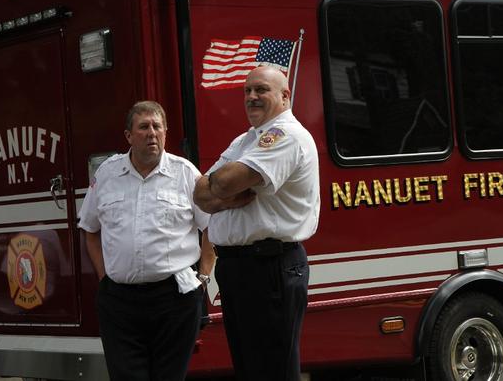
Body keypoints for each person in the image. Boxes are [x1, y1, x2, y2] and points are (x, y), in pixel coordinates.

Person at [194, 66, 320, 381]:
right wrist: (222, 195)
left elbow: (221, 184)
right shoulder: (246, 140)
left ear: (285, 95)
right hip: (240, 268)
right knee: (249, 369)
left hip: (270, 267)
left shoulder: (286, 135)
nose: (251, 97)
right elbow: (200, 194)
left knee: (272, 370)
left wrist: (219, 191)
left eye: (261, 90)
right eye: (247, 91)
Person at [77, 101, 215, 381]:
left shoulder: (186, 173)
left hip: (175, 300)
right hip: (120, 302)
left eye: (157, 126)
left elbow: (212, 227)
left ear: (165, 132)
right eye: (143, 127)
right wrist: (105, 277)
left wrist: (203, 276)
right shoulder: (106, 174)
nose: (152, 133)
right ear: (128, 136)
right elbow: (89, 229)